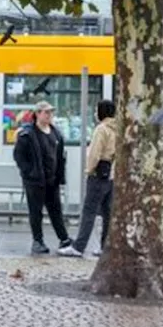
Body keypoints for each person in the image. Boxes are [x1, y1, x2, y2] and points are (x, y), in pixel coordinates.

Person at [13, 100, 73, 255]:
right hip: (35, 180)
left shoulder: (56, 133)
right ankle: (37, 241)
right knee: (36, 211)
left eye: (51, 112)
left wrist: (60, 177)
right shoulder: (27, 134)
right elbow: (19, 156)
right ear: (37, 114)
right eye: (46, 112)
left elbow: (60, 157)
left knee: (56, 210)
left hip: (52, 180)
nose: (49, 115)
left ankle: (64, 239)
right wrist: (28, 172)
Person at [60, 99, 116, 258]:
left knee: (89, 211)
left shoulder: (102, 129)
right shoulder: (118, 128)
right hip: (111, 175)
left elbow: (95, 153)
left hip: (98, 175)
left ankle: (79, 246)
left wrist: (89, 170)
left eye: (96, 109)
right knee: (108, 213)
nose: (95, 113)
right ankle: (105, 246)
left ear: (102, 112)